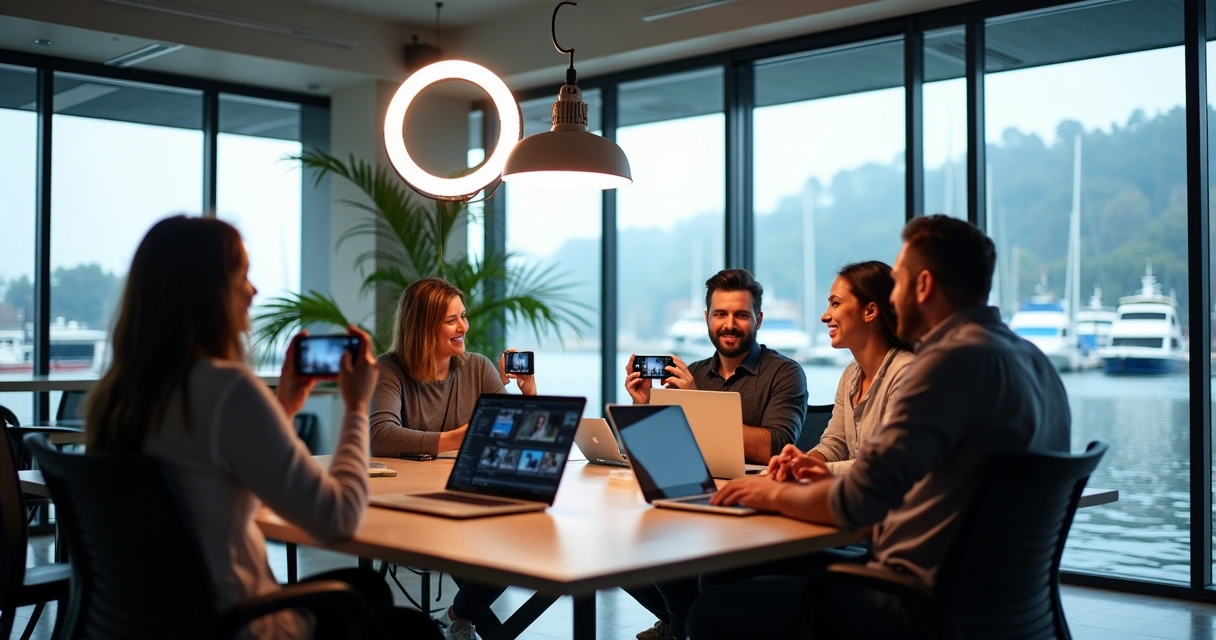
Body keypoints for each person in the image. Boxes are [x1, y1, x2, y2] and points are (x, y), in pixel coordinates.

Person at [686, 215, 1072, 639]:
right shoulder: (1035, 361)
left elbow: (861, 500)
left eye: (899, 282)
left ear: (923, 285)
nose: (893, 297)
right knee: (726, 576)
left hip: (912, 601)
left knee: (712, 609)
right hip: (1002, 605)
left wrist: (770, 493)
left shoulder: (945, 367)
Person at [85, 216, 440, 640]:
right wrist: (355, 407)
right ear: (206, 292)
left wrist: (283, 406)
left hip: (158, 622)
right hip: (241, 623)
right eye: (242, 275)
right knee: (414, 630)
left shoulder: (119, 396)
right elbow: (339, 519)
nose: (253, 291)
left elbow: (214, 477)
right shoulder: (227, 387)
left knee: (366, 587)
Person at [624, 268, 808, 640]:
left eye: (741, 314)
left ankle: (684, 627)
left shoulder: (785, 373)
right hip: (693, 501)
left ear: (758, 319)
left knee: (685, 558)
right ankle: (684, 624)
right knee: (623, 547)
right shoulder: (692, 373)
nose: (729, 324)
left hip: (751, 509)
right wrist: (643, 406)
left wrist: (693, 404)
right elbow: (663, 452)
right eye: (720, 314)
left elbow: (776, 445)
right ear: (707, 318)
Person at [368, 277, 536, 640]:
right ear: (422, 327)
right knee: (503, 544)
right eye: (451, 320)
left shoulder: (477, 368)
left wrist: (528, 394)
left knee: (522, 537)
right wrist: (460, 437)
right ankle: (460, 620)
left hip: (471, 499)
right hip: (414, 507)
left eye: (463, 316)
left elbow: (514, 438)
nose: (463, 327)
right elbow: (381, 435)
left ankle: (455, 616)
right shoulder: (390, 370)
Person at [791, 260, 915, 476]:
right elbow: (834, 445)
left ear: (870, 311)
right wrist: (798, 465)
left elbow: (887, 463)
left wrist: (811, 470)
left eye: (835, 304)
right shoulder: (850, 374)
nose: (825, 316)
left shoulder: (907, 373)